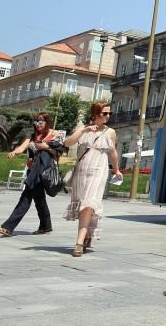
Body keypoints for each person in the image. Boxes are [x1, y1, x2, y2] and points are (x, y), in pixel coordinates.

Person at [63, 102, 121, 256]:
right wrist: (83, 130)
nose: (107, 116)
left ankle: (79, 242)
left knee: (88, 204)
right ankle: (88, 234)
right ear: (95, 114)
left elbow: (113, 152)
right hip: (81, 171)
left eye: (110, 114)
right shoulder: (83, 129)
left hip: (98, 171)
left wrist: (116, 169)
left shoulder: (111, 132)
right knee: (83, 205)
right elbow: (67, 143)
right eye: (104, 113)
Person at [0, 112, 64, 237]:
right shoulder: (32, 136)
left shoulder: (54, 134)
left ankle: (8, 227)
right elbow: (22, 148)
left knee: (26, 198)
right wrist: (14, 152)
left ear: (47, 122)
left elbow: (59, 152)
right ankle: (46, 226)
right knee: (39, 200)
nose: (38, 124)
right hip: (32, 171)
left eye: (41, 121)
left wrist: (46, 147)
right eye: (36, 122)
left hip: (44, 171)